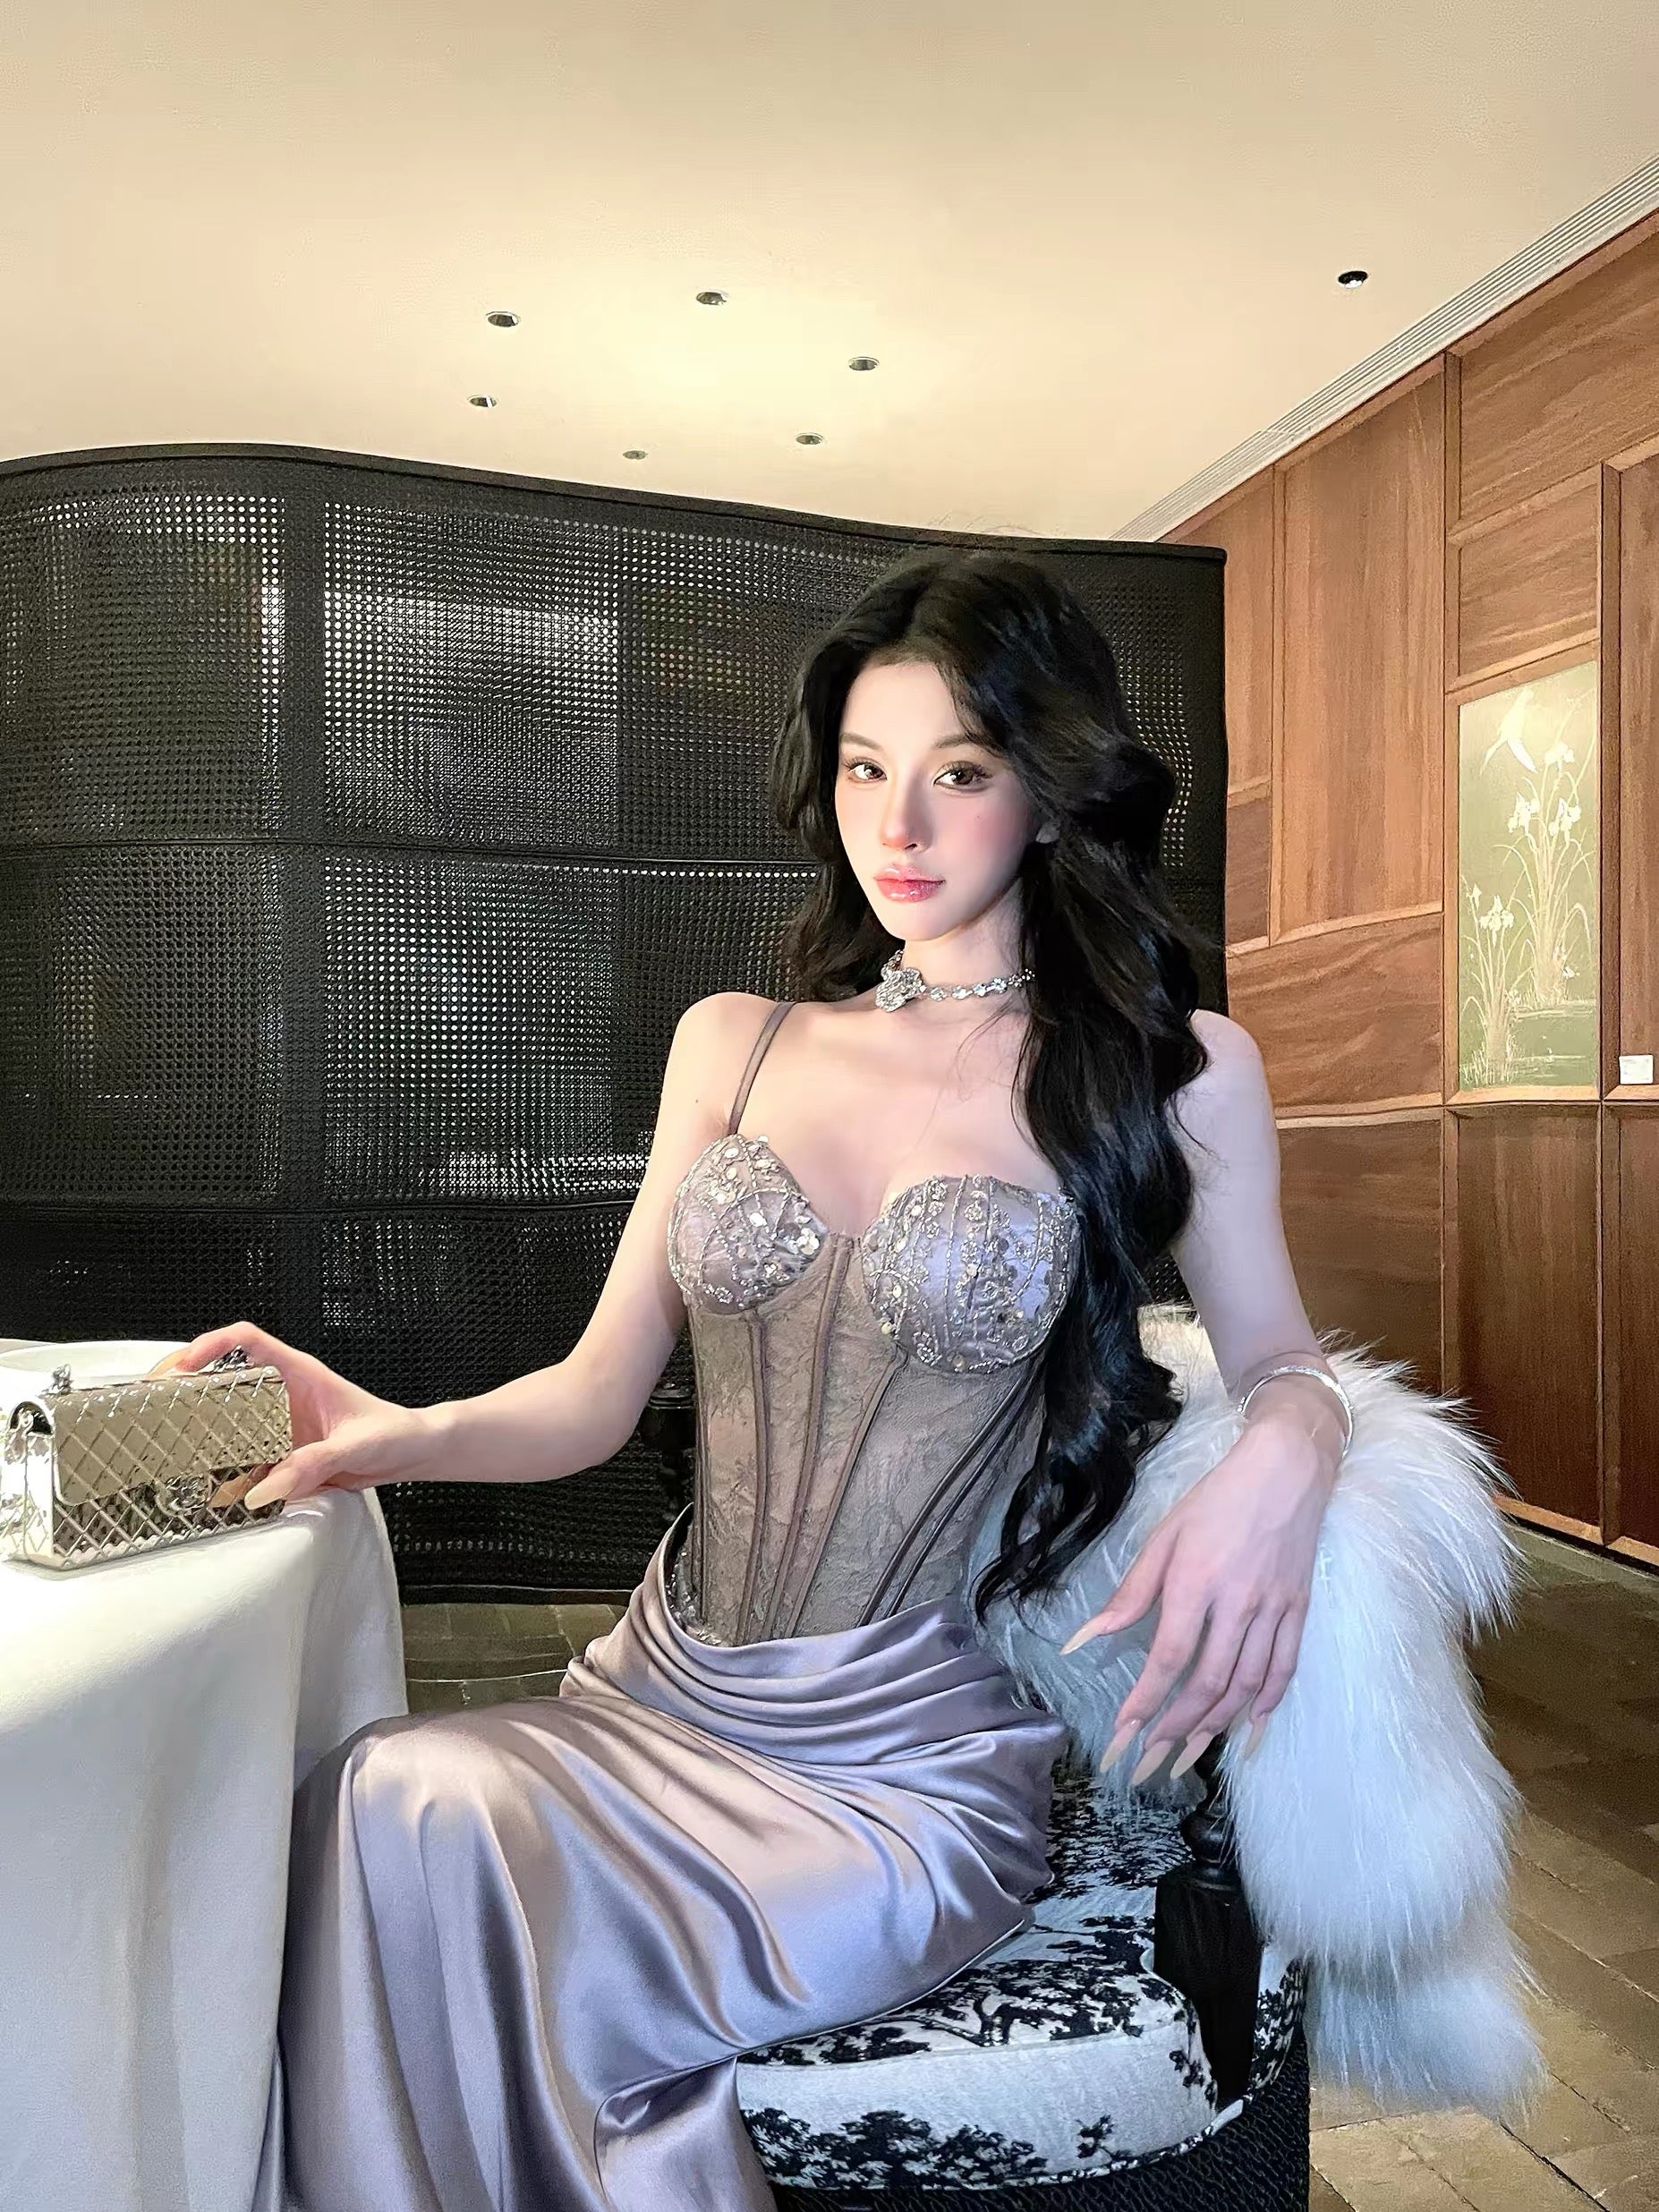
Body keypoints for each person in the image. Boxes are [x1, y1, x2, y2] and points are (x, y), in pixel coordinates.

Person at [156, 551, 1351, 2212]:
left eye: (959, 773)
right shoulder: (738, 1039)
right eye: (865, 770)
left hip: (897, 1767)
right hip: (656, 1695)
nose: (898, 828)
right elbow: (593, 1394)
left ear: (1048, 789)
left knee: (421, 1808)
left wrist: (1287, 1456)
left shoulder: (1172, 1071)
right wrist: (391, 1429)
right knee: (382, 1798)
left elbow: (1284, 1359)